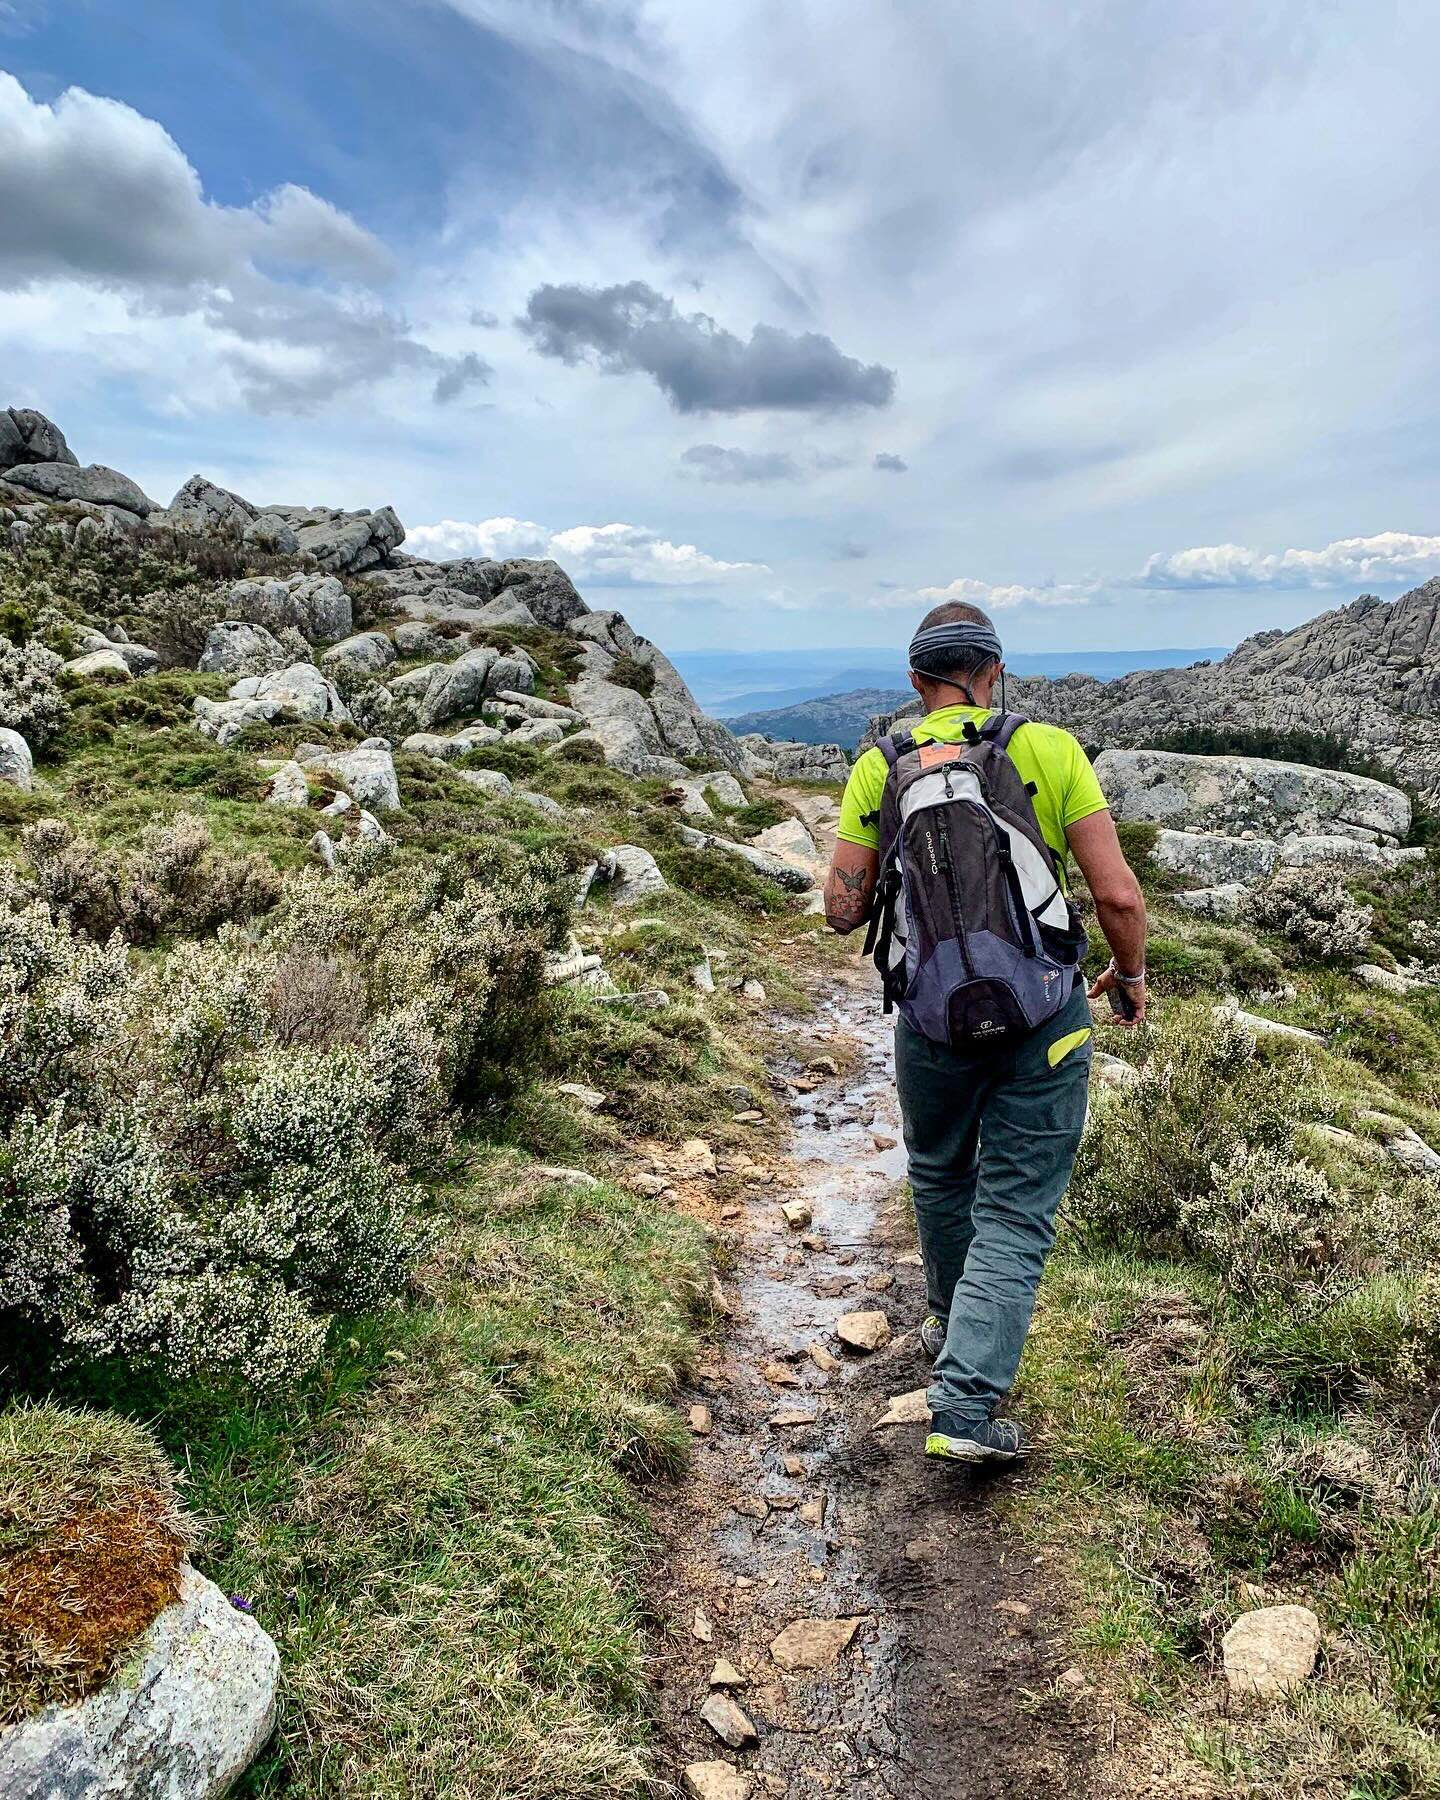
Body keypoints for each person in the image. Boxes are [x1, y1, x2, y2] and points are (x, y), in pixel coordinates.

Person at [824, 599, 1148, 1465]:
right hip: (1044, 1014)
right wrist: (1131, 977)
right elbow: (1117, 895)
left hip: (928, 1019)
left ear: (916, 681)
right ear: (996, 670)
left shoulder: (877, 767)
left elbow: (839, 909)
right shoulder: (1046, 748)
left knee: (938, 1171)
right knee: (1015, 1205)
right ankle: (964, 1406)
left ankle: (946, 1321)